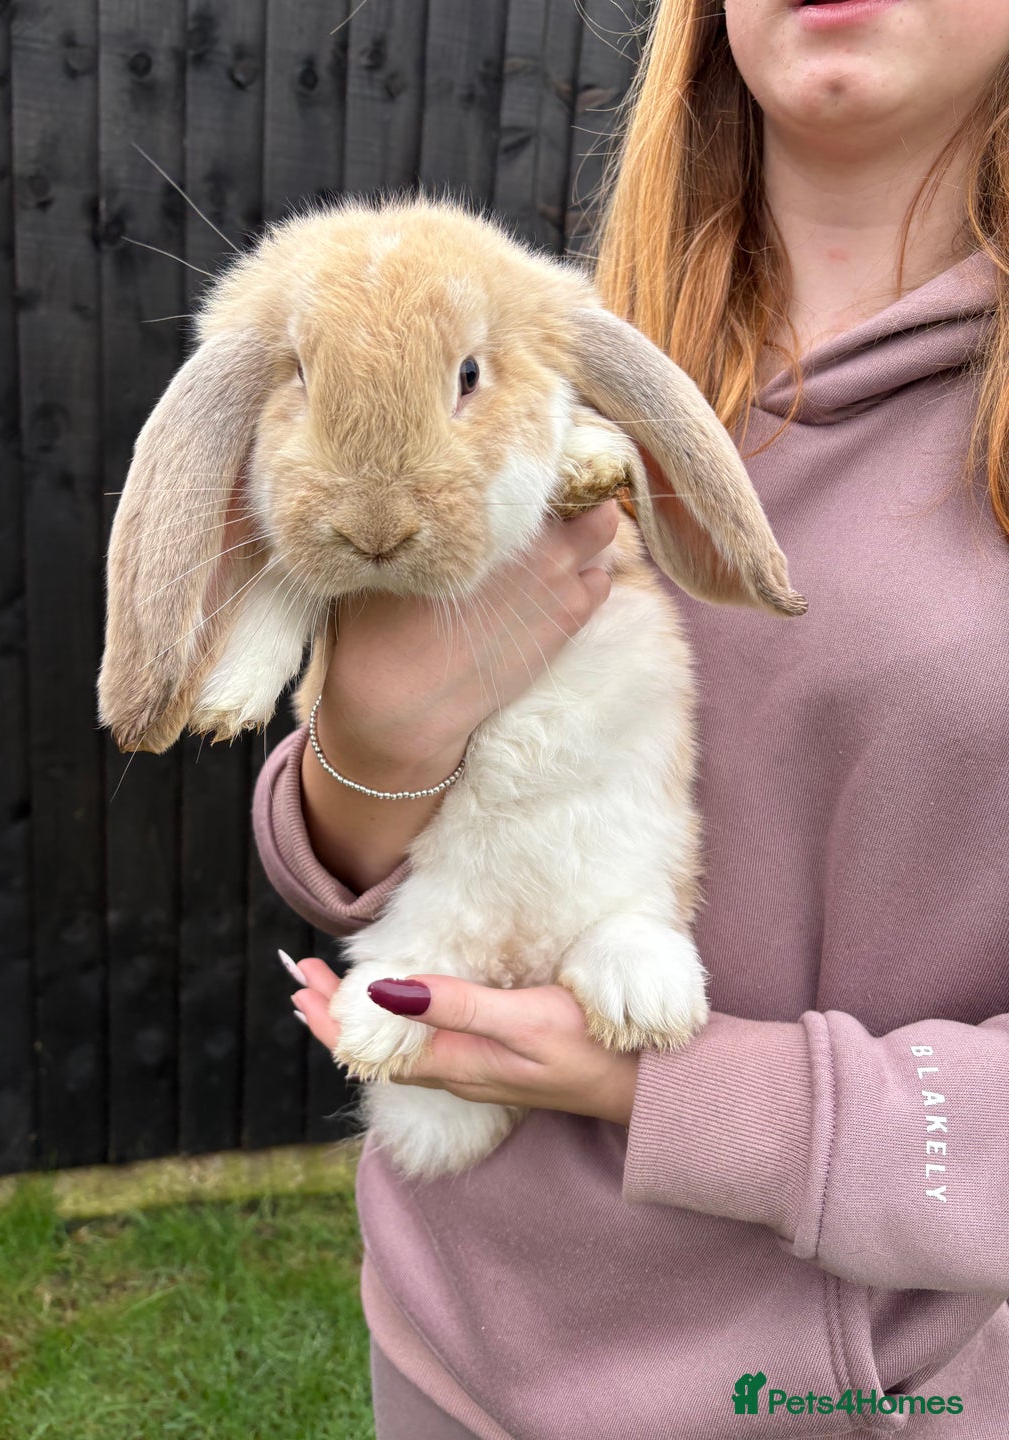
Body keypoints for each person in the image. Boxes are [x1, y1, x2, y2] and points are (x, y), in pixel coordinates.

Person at [253, 1, 1009, 1434]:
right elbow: (343, 841)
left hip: (824, 1394)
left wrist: (680, 1092)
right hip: (451, 1332)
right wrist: (366, 747)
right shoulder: (531, 362)